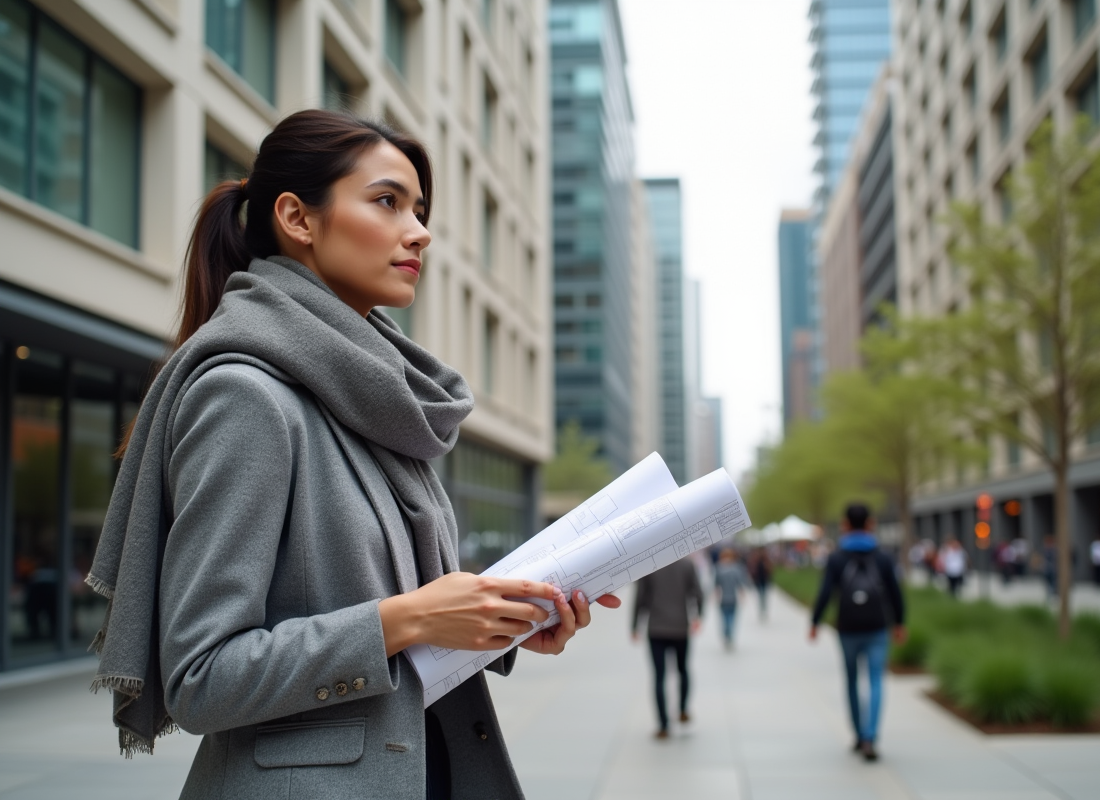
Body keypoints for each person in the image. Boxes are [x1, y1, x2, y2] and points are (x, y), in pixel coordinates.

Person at [85, 110, 618, 799]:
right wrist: (412, 617)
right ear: (298, 219)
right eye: (387, 201)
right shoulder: (245, 396)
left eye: (420, 210)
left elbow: (395, 612)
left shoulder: (373, 397)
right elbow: (200, 677)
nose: (420, 231)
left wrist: (500, 619)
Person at [809, 503, 906, 763]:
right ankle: (871, 736)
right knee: (876, 680)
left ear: (845, 525)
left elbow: (826, 592)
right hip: (877, 626)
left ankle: (858, 733)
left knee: (851, 680)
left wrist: (815, 622)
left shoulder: (837, 557)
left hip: (848, 628)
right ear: (871, 524)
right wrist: (899, 623)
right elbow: (895, 593)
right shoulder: (883, 557)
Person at [632, 557, 704, 739]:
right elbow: (699, 593)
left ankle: (663, 725)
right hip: (680, 627)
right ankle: (682, 709)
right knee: (683, 670)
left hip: (656, 628)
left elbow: (640, 598)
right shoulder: (687, 564)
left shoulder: (648, 566)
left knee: (659, 676)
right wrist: (698, 616)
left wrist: (634, 625)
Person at [713, 548, 751, 649]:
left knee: (725, 618)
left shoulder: (719, 568)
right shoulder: (736, 568)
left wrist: (715, 596)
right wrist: (743, 596)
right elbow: (740, 584)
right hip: (733, 598)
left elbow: (716, 584)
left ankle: (727, 634)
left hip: (723, 598)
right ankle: (729, 634)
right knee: (732, 618)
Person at [749, 548, 774, 620]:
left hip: (765, 581)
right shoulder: (756, 561)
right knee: (761, 596)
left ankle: (764, 609)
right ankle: (761, 610)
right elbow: (752, 570)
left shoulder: (766, 561)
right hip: (759, 581)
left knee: (764, 596)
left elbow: (770, 570)